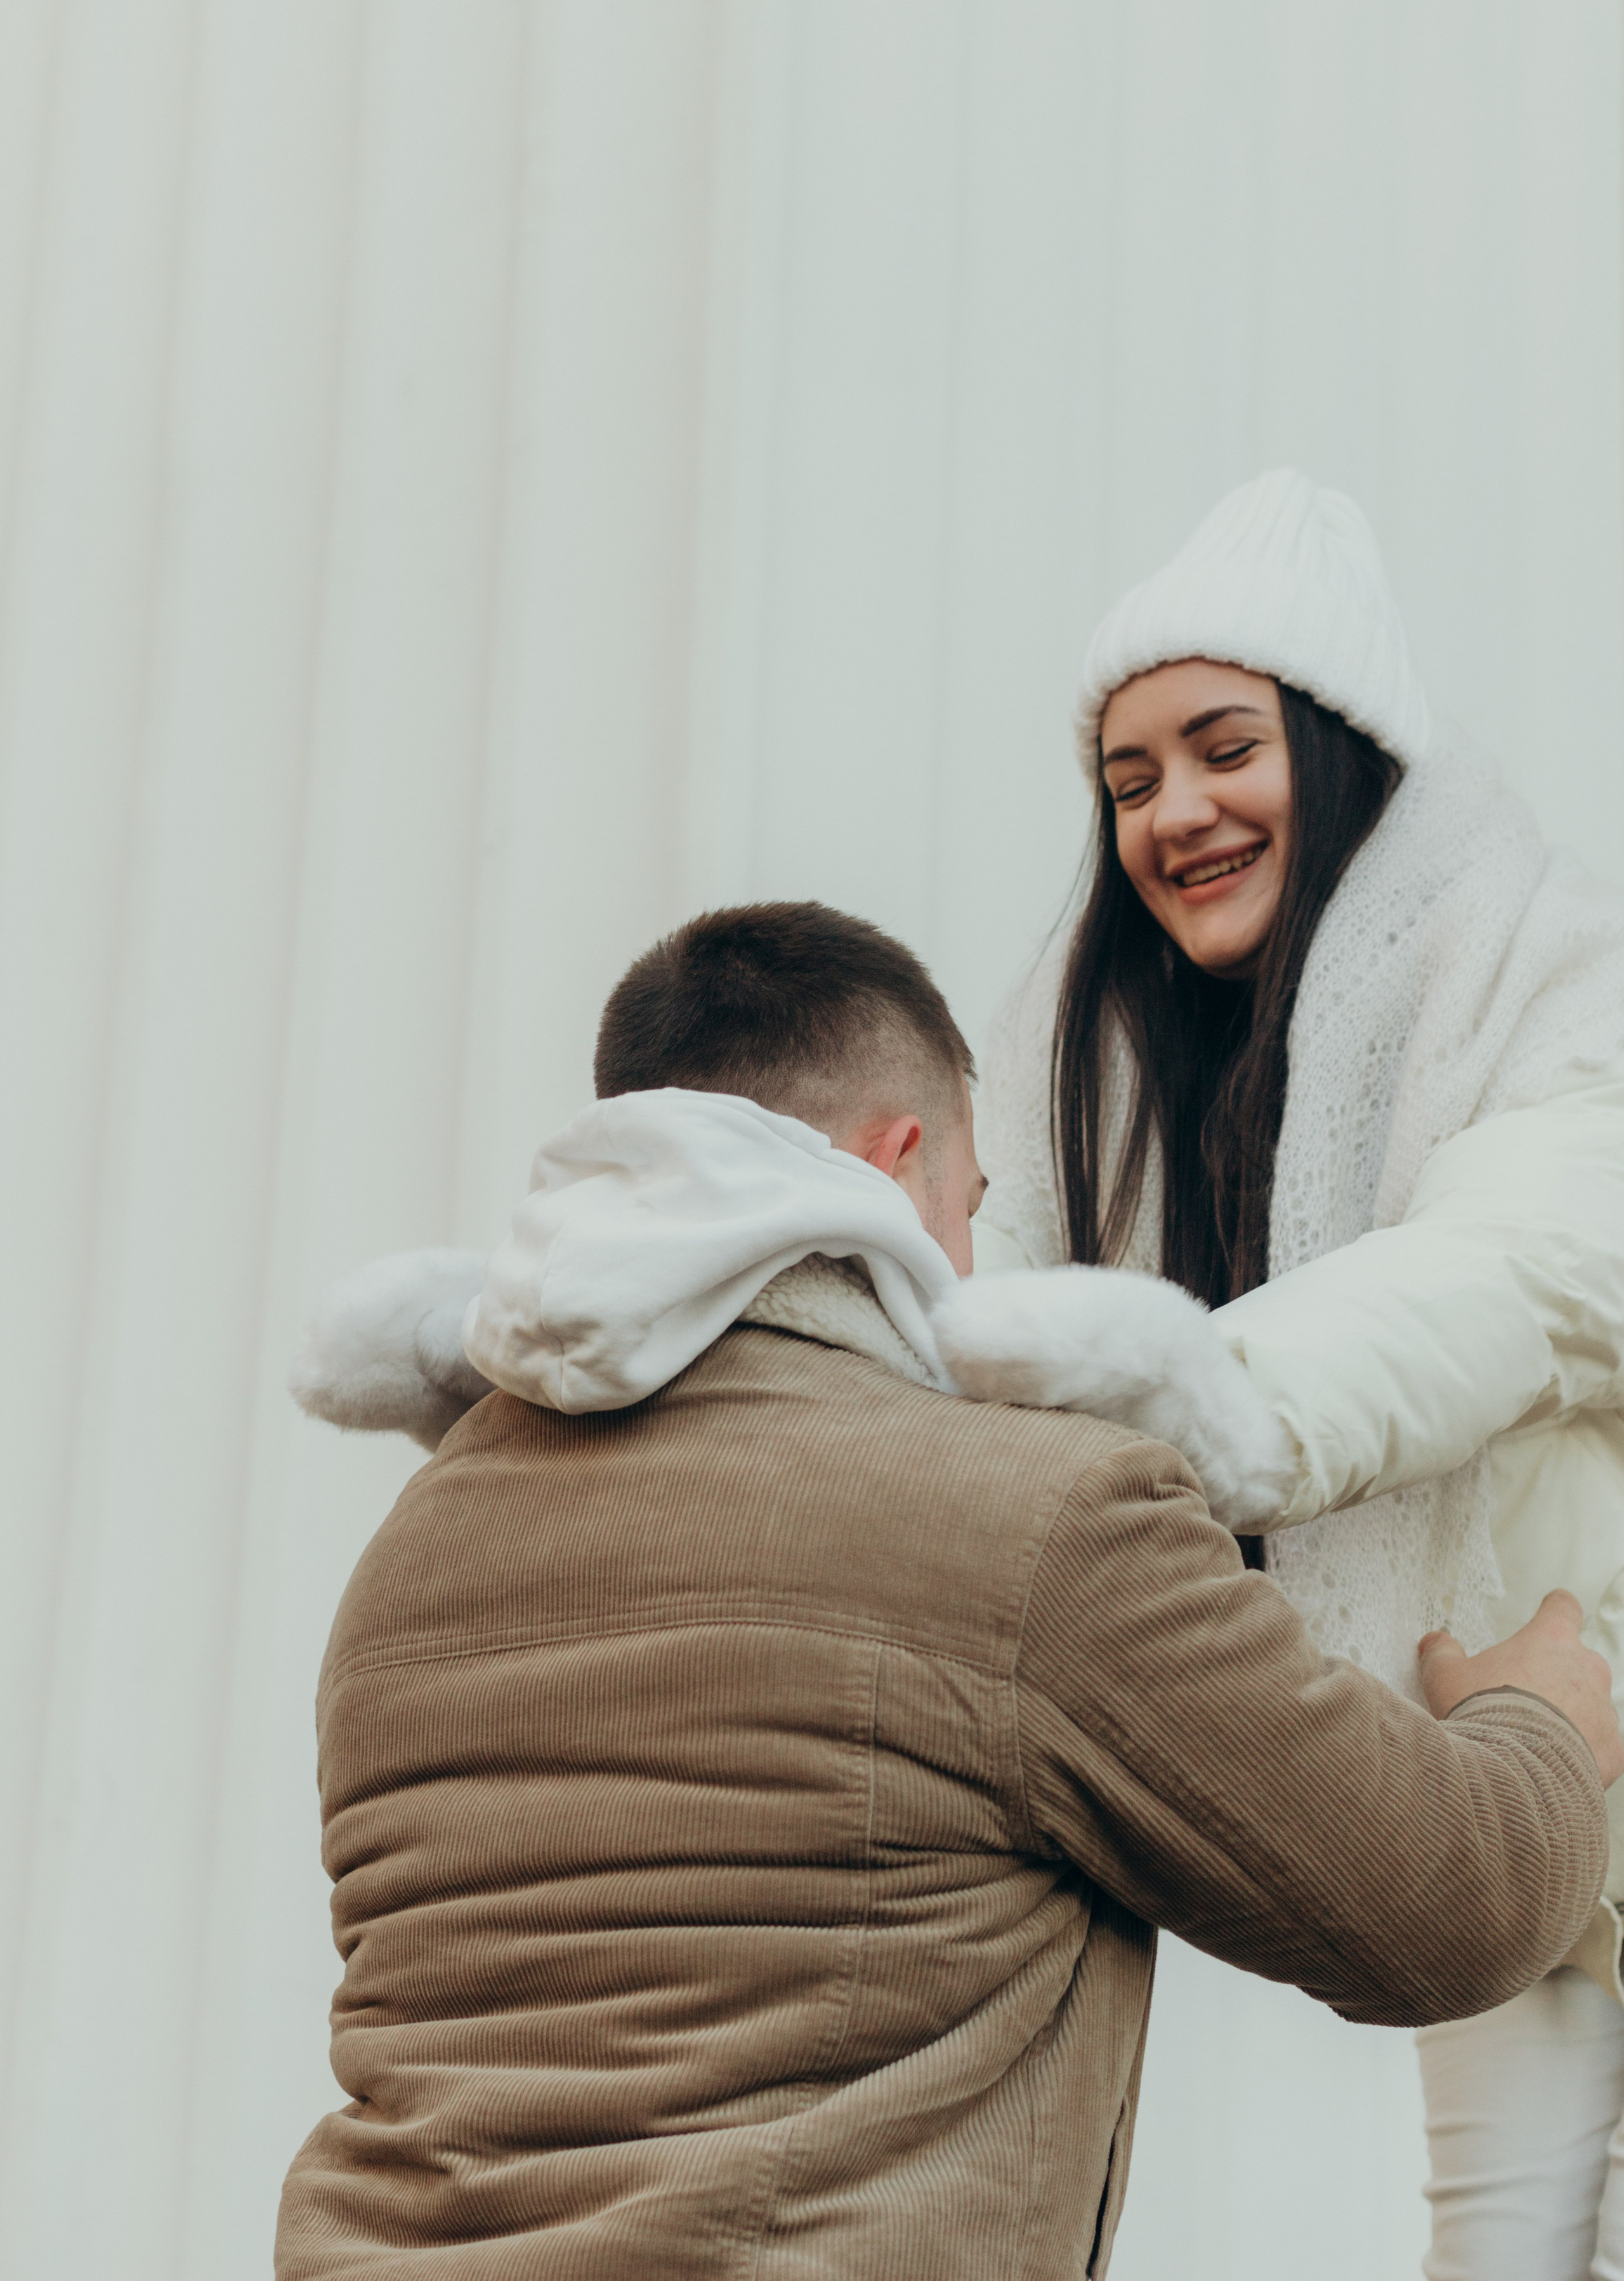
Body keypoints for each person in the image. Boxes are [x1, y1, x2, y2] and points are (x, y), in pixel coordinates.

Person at [277, 900, 1617, 2279]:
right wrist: (1541, 1724)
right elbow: (1448, 1908)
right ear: (896, 1162)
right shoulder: (1033, 1517)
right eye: (973, 1209)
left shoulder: (411, 1558)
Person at [955, 469, 1624, 2280]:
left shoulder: (1558, 994)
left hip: (1565, 1717)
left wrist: (1191, 1398)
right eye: (1129, 779)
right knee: (1495, 2251)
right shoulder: (1123, 1068)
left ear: (1334, 755)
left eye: (1223, 748)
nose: (1174, 810)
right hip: (1510, 1770)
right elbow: (981, 1293)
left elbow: (1500, 1284)